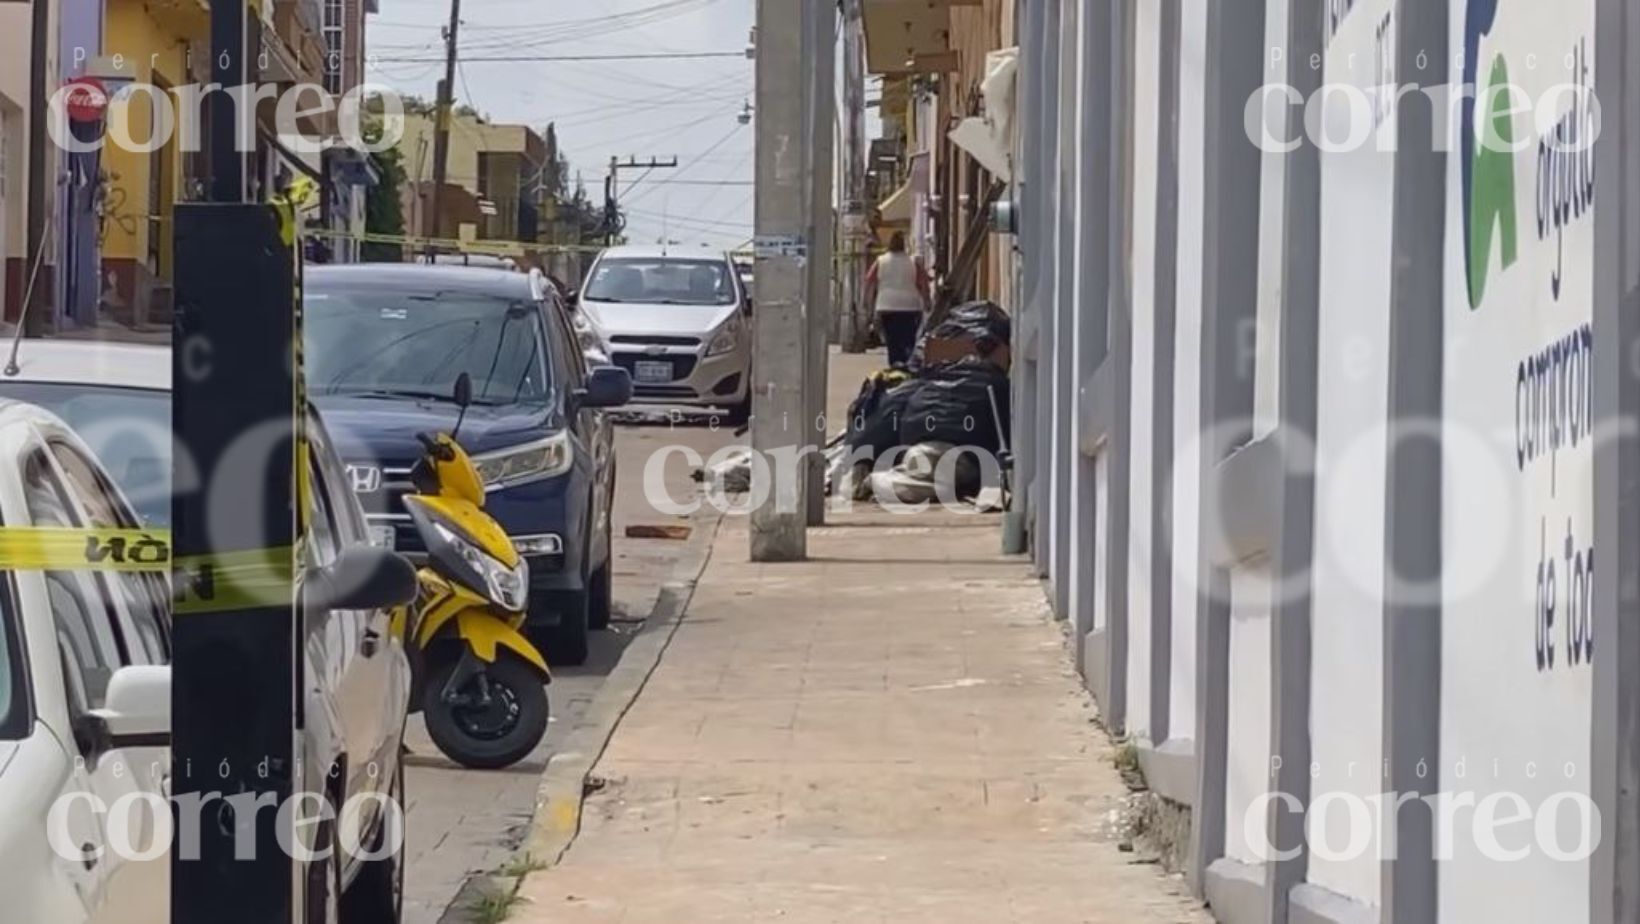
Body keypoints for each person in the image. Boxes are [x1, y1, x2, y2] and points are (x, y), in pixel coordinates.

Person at [864, 232, 930, 366]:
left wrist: (866, 301)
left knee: (892, 341)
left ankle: (894, 365)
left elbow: (869, 281)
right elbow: (923, 283)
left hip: (886, 305)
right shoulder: (913, 262)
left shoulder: (881, 261)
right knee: (908, 339)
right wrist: (927, 300)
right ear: (904, 246)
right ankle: (907, 365)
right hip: (910, 306)